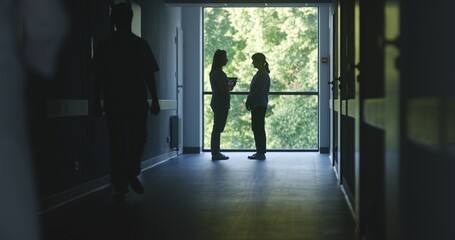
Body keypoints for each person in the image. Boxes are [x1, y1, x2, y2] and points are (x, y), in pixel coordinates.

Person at [92, 3, 160, 202]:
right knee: (138, 137)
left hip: (114, 101)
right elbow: (149, 76)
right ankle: (131, 169)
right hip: (136, 100)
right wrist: (154, 99)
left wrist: (97, 100)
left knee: (117, 143)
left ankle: (121, 187)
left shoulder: (106, 45)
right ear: (130, 19)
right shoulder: (139, 44)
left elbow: (99, 77)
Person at [209, 49, 236, 160]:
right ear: (220, 59)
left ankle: (215, 152)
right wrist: (229, 86)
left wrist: (228, 86)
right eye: (225, 57)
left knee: (217, 127)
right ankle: (215, 152)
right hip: (221, 103)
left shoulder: (214, 72)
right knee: (217, 128)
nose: (227, 60)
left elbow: (222, 89)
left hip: (218, 102)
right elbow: (222, 90)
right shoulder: (219, 73)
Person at [245, 53, 270, 160]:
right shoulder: (261, 73)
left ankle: (260, 152)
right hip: (259, 104)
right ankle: (260, 151)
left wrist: (249, 100)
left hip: (258, 104)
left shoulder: (262, 75)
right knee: (258, 128)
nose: (252, 63)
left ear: (259, 62)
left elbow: (257, 91)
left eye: (254, 61)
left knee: (258, 128)